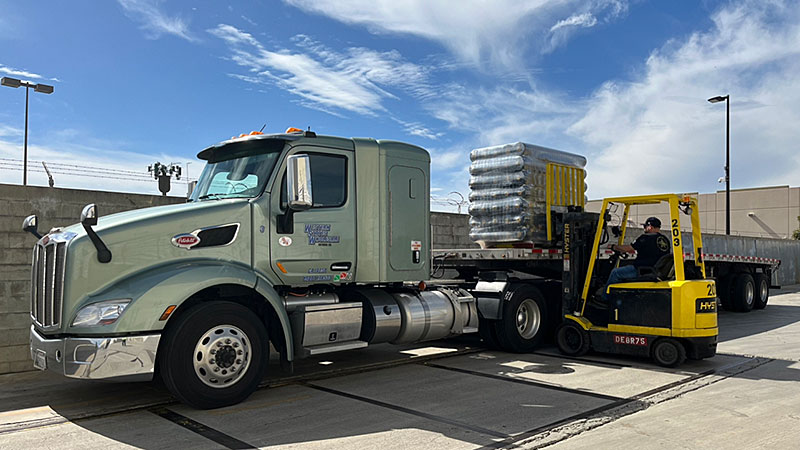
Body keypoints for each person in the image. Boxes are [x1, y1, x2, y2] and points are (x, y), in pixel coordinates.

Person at [603, 217, 670, 300]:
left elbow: (628, 248)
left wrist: (613, 247)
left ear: (650, 227)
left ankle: (605, 299)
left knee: (615, 272)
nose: (644, 229)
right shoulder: (665, 240)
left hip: (642, 270)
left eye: (645, 226)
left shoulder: (645, 238)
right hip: (656, 270)